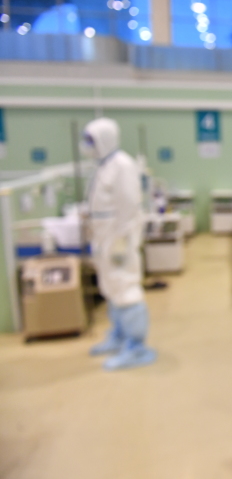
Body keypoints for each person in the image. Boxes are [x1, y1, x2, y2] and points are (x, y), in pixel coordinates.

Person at [84, 118, 156, 370]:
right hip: (105, 235)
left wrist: (121, 243)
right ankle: (120, 335)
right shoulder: (104, 166)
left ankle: (136, 346)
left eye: (91, 141)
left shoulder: (122, 165)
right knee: (110, 286)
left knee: (124, 285)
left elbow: (129, 205)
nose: (87, 146)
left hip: (118, 236)